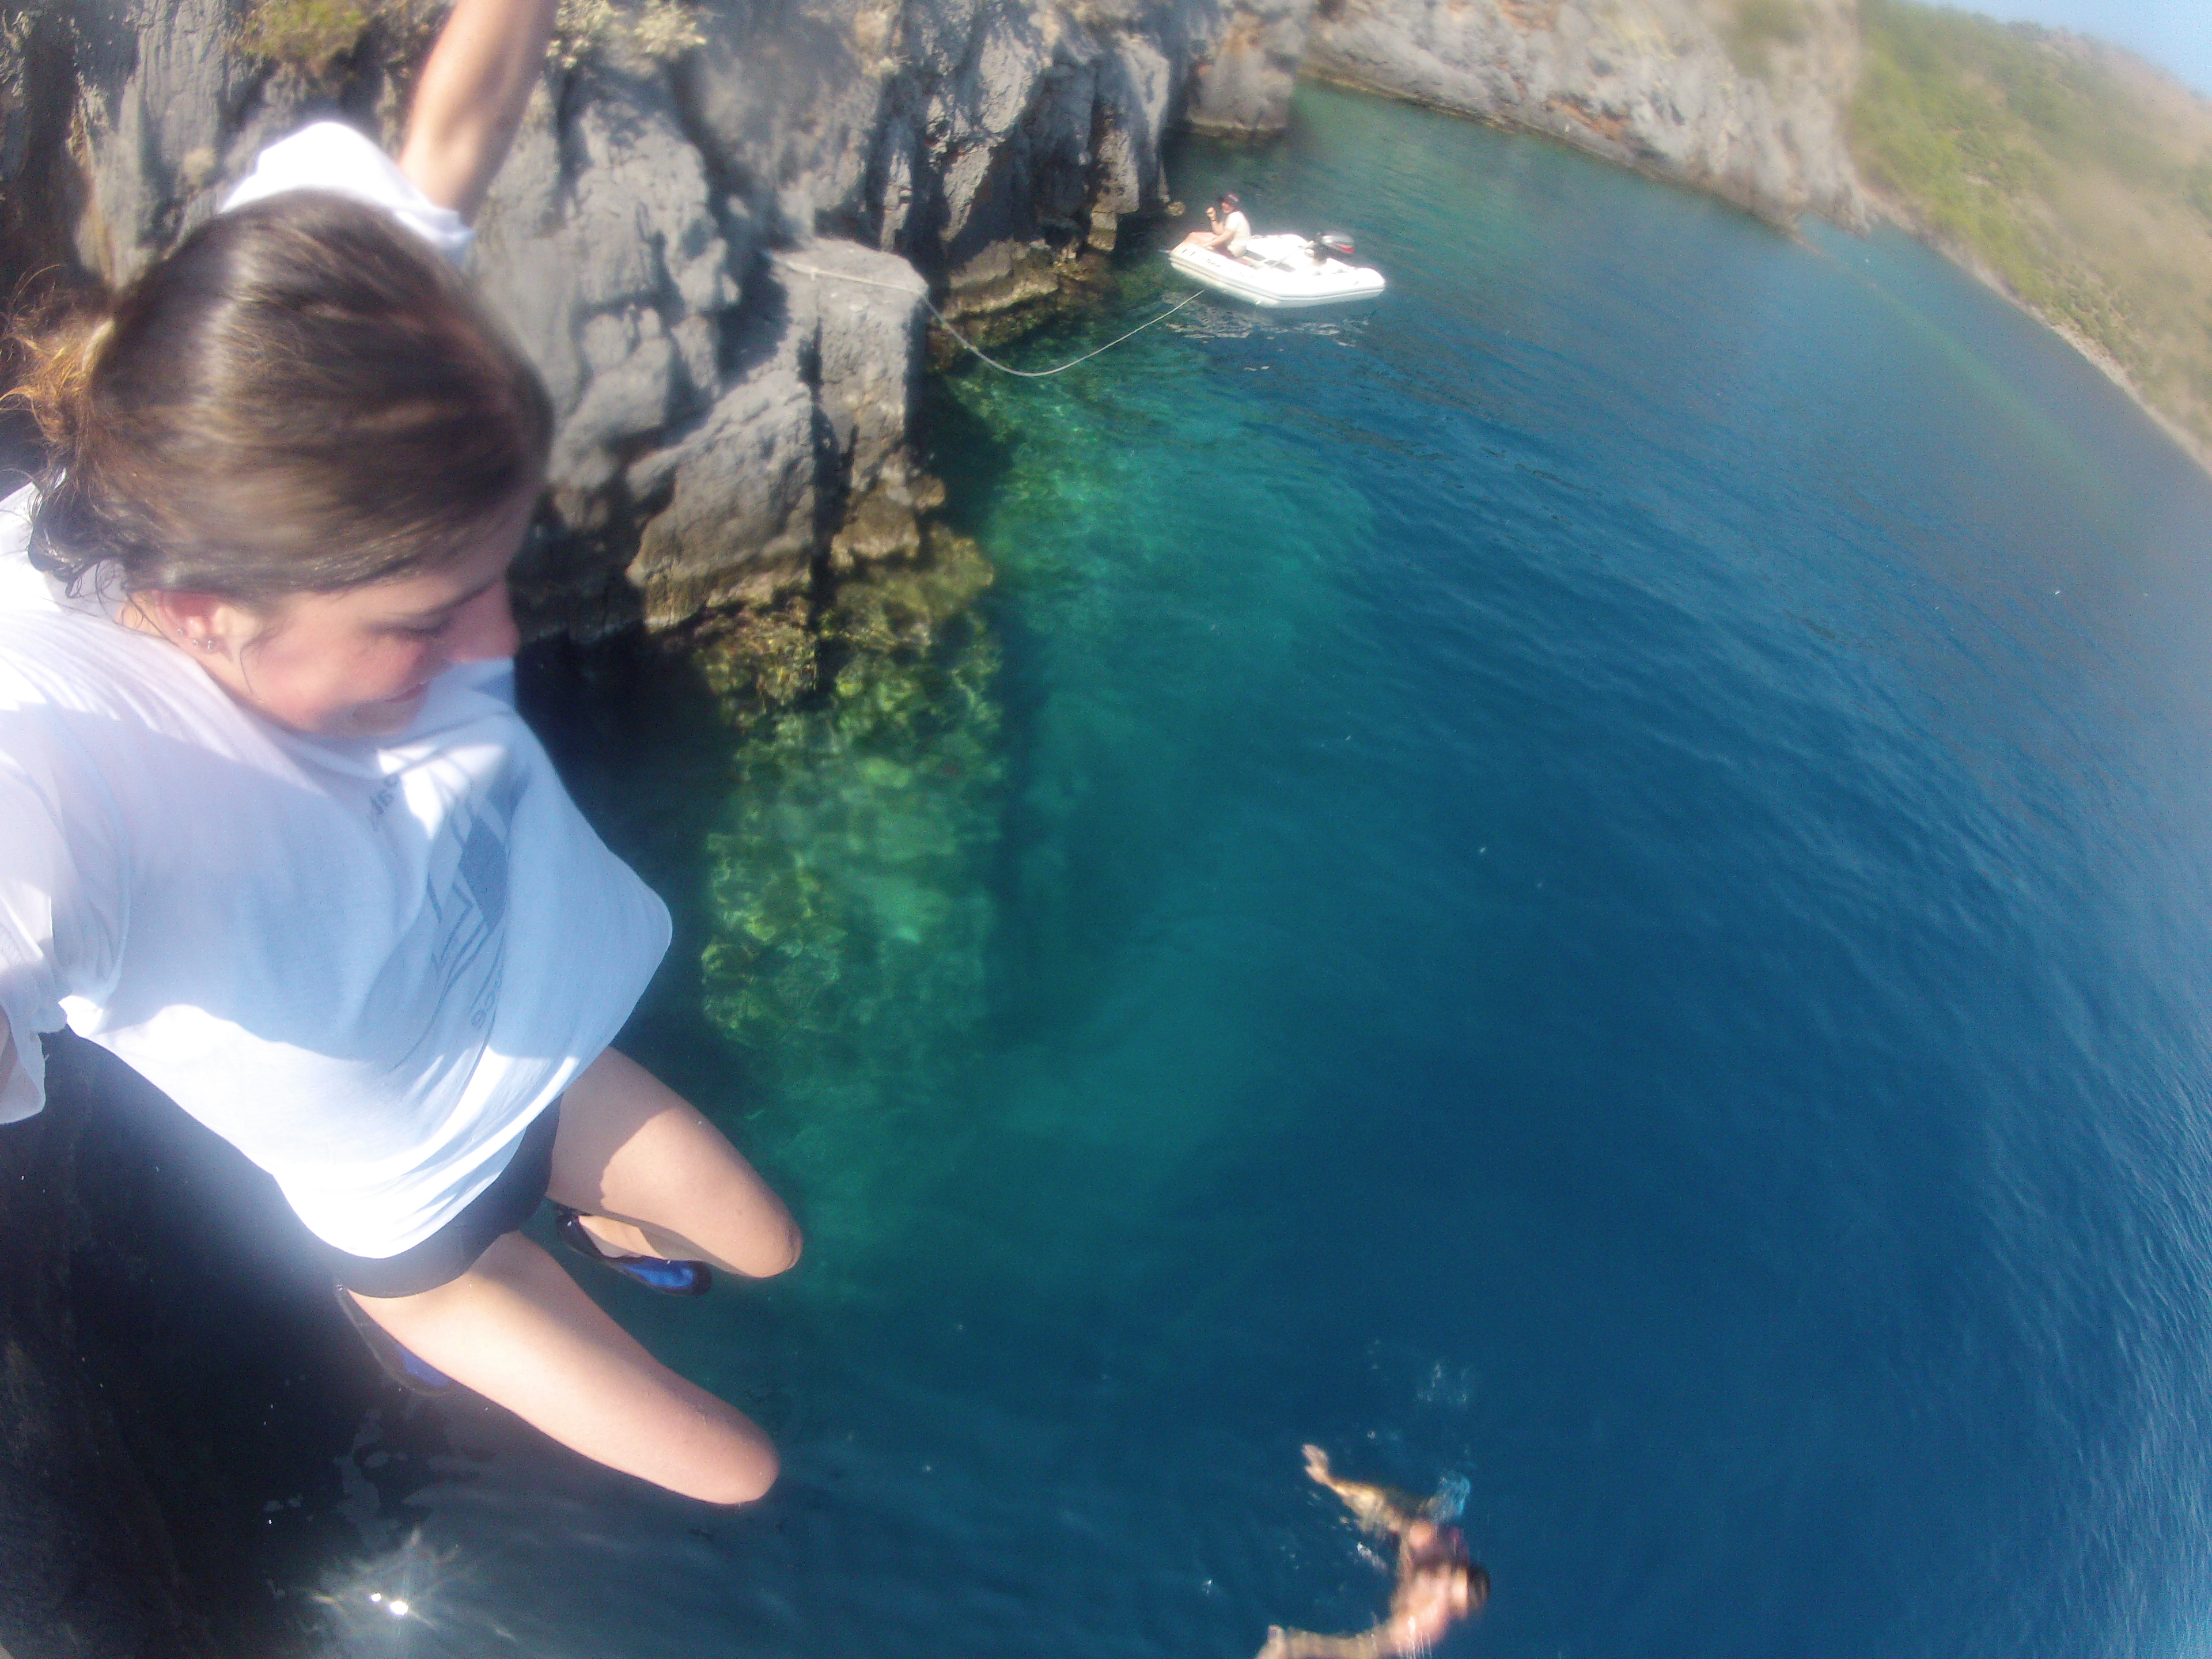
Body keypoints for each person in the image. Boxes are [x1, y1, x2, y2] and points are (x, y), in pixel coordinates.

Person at [0, 0, 800, 1506]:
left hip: (541, 1051)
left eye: (493, 577)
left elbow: (457, 126)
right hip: (411, 1219)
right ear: (209, 614)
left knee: (770, 1245)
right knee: (738, 1470)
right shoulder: (56, 757)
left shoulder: (281, 387)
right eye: (426, 619)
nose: (497, 650)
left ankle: (597, 1223)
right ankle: (416, 1332)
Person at [1257, 1445, 1490, 1658]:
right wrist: (1331, 1481)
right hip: (1407, 1541)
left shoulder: (1418, 1623)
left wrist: (1293, 1644)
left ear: (1450, 1607)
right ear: (1460, 1561)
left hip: (1401, 1578)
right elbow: (1383, 1509)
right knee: (1400, 1509)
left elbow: (1361, 1649)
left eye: (1448, 1591)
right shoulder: (1432, 1540)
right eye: (1452, 1573)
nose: (1442, 1580)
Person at [1180, 191, 1253, 258]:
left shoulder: (1235, 216)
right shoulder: (1227, 215)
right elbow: (1219, 232)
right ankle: (1182, 253)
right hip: (1229, 247)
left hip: (1232, 252)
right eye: (1225, 203)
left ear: (1234, 207)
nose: (1227, 206)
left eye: (1230, 205)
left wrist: (1206, 244)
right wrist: (1213, 218)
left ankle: (1179, 255)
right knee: (1196, 235)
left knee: (1193, 236)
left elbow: (1225, 236)